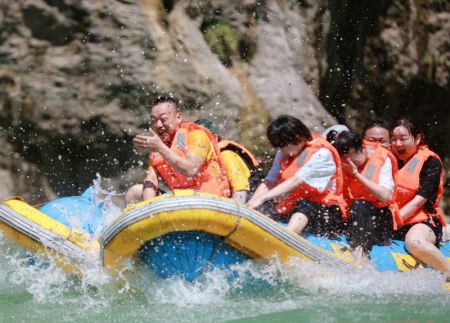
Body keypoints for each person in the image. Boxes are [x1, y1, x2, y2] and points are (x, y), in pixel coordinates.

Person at [247, 115, 345, 238]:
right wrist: (250, 205)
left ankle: (285, 237)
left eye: (283, 145)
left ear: (298, 138)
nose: (281, 150)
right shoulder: (282, 153)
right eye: (279, 146)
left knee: (305, 204)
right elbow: (269, 182)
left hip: (326, 213)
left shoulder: (322, 153)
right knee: (258, 190)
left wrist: (262, 198)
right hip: (295, 207)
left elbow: (297, 181)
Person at [125, 96, 230, 205]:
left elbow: (191, 169)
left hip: (209, 200)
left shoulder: (196, 134)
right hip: (180, 202)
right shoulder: (158, 146)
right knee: (135, 192)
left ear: (178, 117)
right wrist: (148, 207)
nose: (158, 125)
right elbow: (151, 179)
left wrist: (161, 147)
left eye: (163, 119)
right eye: (154, 120)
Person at [390, 118, 449, 274]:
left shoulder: (430, 162)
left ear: (417, 139)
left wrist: (391, 223)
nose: (397, 144)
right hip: (393, 219)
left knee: (414, 243)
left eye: (403, 139)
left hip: (422, 222)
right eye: (393, 139)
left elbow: (418, 202)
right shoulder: (387, 159)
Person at [333, 131, 401, 259]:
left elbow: (385, 195)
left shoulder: (383, 159)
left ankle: (360, 254)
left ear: (363, 149)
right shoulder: (340, 159)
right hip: (349, 217)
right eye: (346, 160)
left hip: (377, 220)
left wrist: (356, 174)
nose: (351, 163)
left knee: (360, 204)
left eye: (353, 159)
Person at [194, 119, 261, 203]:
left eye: (199, 137)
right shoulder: (196, 162)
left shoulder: (226, 156)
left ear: (214, 138)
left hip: (250, 207)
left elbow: (240, 192)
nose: (194, 142)